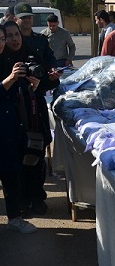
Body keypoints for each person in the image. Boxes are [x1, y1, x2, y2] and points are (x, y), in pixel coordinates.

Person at [3, 20, 59, 218]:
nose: (14, 39)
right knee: (17, 162)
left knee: (35, 158)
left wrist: (46, 79)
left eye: (16, 34)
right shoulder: (2, 59)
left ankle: (37, 197)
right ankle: (22, 200)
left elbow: (46, 81)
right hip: (12, 119)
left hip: (34, 116)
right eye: (9, 36)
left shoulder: (32, 52)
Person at [0, 24, 37, 233]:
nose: (2, 43)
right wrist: (10, 79)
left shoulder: (7, 60)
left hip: (8, 127)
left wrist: (32, 85)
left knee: (11, 174)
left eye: (2, 39)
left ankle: (14, 217)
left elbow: (16, 92)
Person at [15, 3, 58, 69]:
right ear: (15, 20)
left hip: (40, 77)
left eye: (29, 17)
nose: (27, 20)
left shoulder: (41, 39)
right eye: (23, 18)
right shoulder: (12, 41)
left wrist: (53, 69)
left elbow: (50, 58)